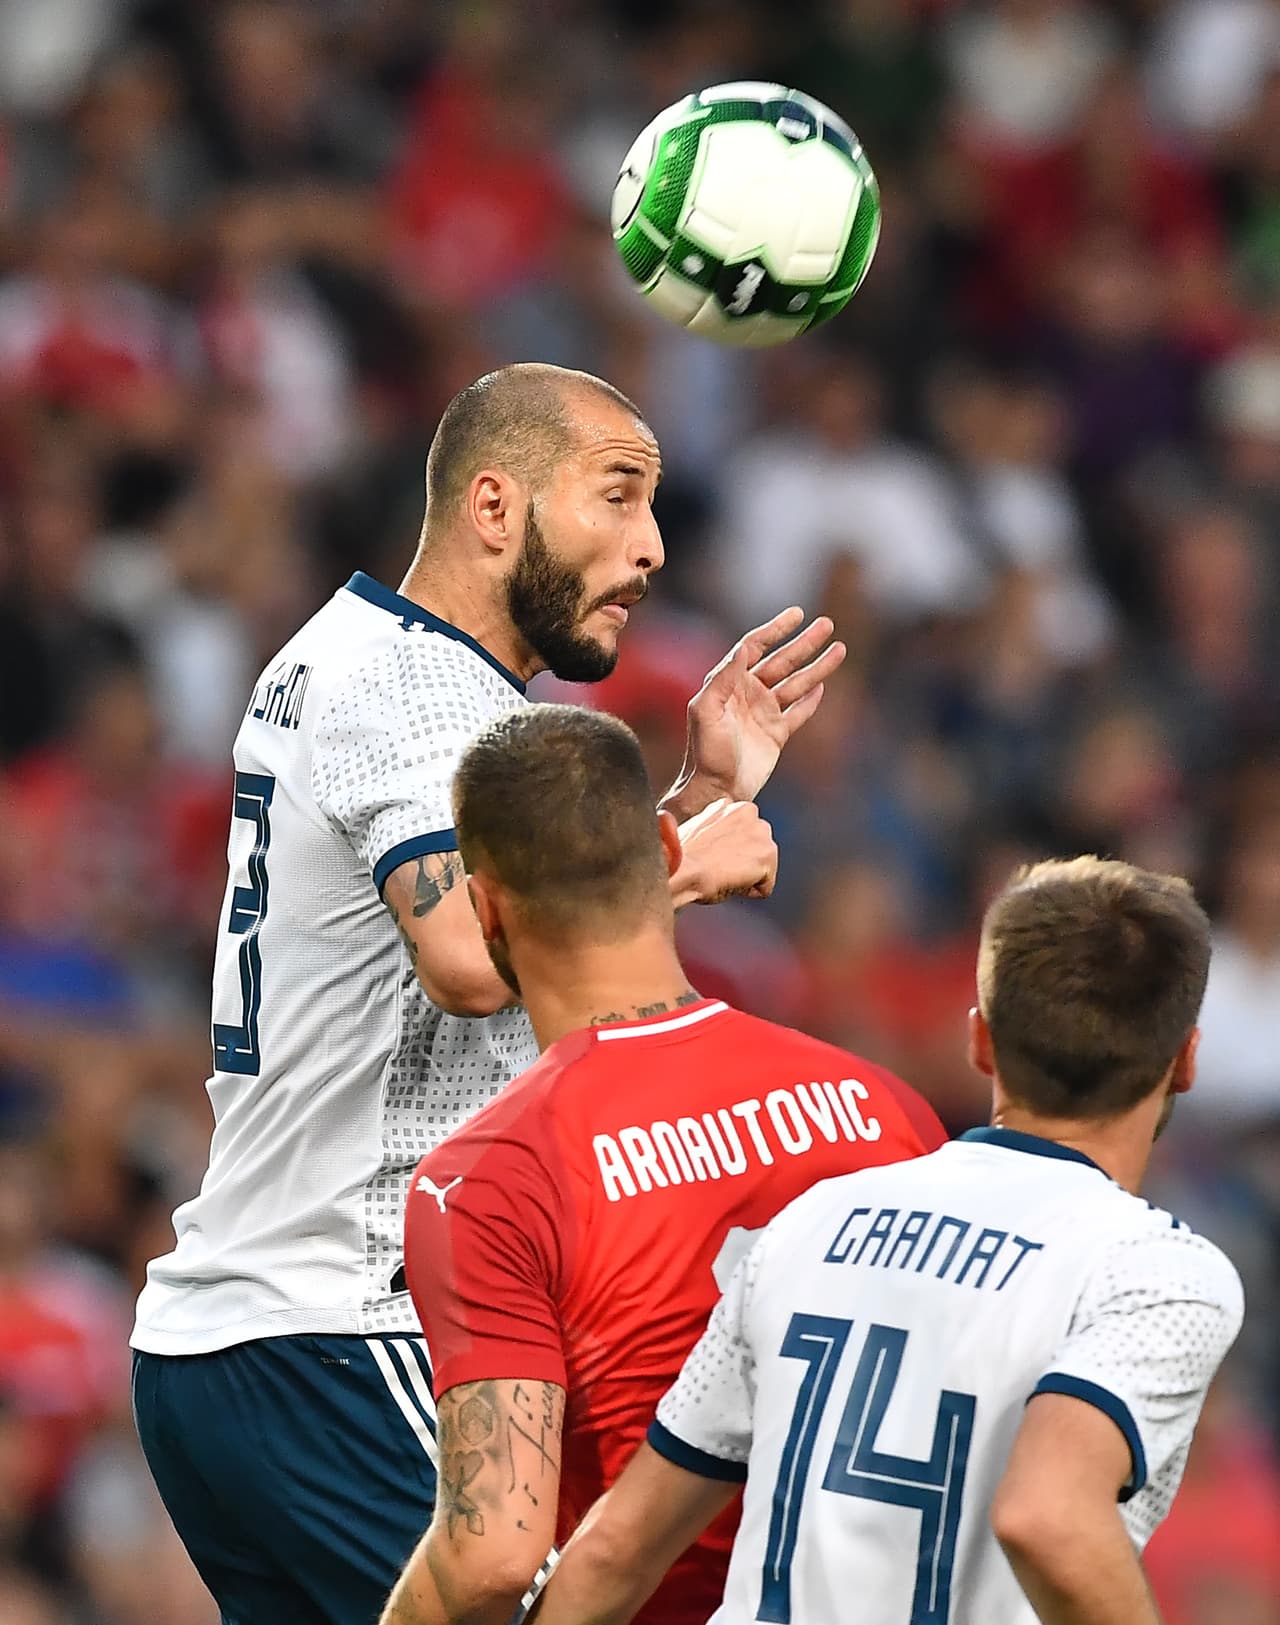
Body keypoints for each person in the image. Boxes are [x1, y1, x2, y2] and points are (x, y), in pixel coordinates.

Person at [129, 363, 845, 1625]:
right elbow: (467, 955)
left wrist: (691, 795)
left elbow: (524, 910)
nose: (650, 547)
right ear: (495, 506)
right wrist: (682, 857)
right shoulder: (421, 691)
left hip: (249, 1334)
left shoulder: (358, 657)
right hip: (343, 1325)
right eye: (616, 498)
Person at [534, 856, 1246, 1625]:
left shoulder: (812, 1220)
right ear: (1185, 1060)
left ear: (980, 1039)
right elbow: (1052, 1517)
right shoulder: (1157, 1272)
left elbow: (615, 1550)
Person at [379, 704, 945, 1625]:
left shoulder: (486, 1179)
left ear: (482, 907)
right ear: (668, 849)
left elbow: (491, 1557)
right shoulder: (887, 1106)